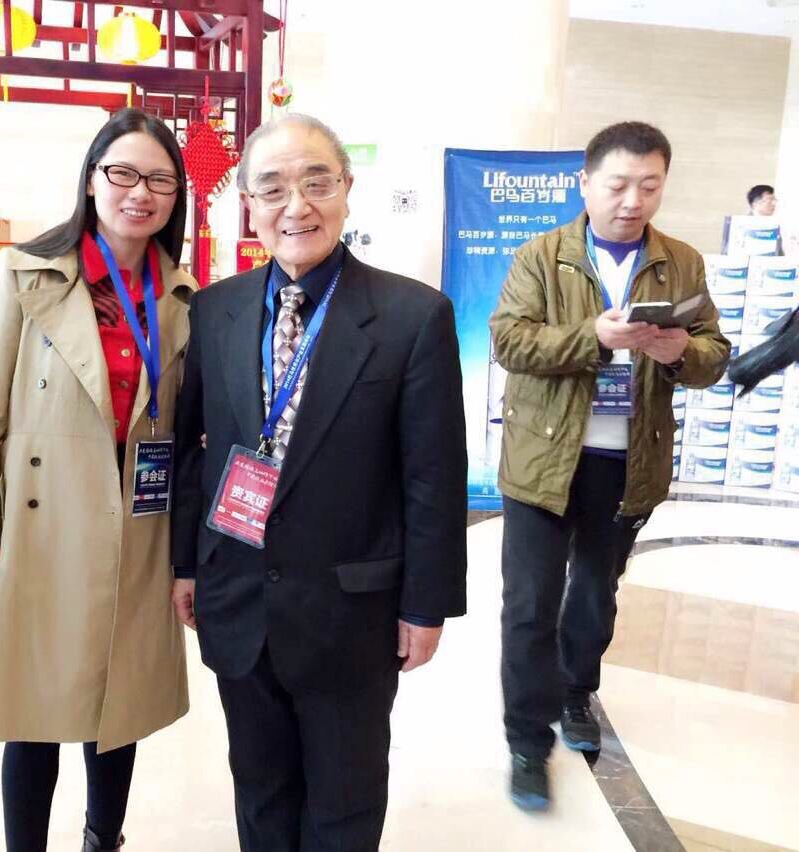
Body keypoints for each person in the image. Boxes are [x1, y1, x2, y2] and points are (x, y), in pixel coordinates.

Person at [170, 114, 468, 852]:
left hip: (352, 612)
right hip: (239, 599)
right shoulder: (215, 309)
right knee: (260, 790)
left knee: (344, 802)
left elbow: (434, 475)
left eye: (316, 183)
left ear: (346, 190)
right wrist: (186, 565)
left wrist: (426, 604)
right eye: (272, 188)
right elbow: (192, 451)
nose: (295, 206)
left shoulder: (412, 316)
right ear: (248, 204)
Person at [0, 107, 197, 852]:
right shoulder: (25, 274)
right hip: (43, 525)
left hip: (139, 523)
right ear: (92, 181)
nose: (140, 193)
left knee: (117, 706)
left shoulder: (184, 296)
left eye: (160, 180)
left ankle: (102, 838)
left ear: (177, 195)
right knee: (31, 709)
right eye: (123, 173)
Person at [489, 121, 730, 811]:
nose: (633, 200)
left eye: (649, 186)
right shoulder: (542, 255)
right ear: (585, 183)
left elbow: (714, 353)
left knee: (595, 594)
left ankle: (575, 693)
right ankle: (527, 742)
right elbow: (509, 341)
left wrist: (680, 353)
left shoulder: (680, 261)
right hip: (542, 462)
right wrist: (591, 336)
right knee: (529, 605)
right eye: (619, 184)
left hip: (627, 463)